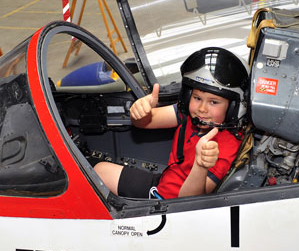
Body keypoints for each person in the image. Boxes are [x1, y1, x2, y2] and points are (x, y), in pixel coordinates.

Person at [94, 47, 249, 199]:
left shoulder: (225, 147)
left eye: (214, 102)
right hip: (162, 183)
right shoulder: (188, 115)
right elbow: (145, 123)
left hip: (169, 204)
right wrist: (139, 111)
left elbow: (188, 203)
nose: (202, 109)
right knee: (98, 171)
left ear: (233, 108)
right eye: (197, 98)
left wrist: (200, 166)